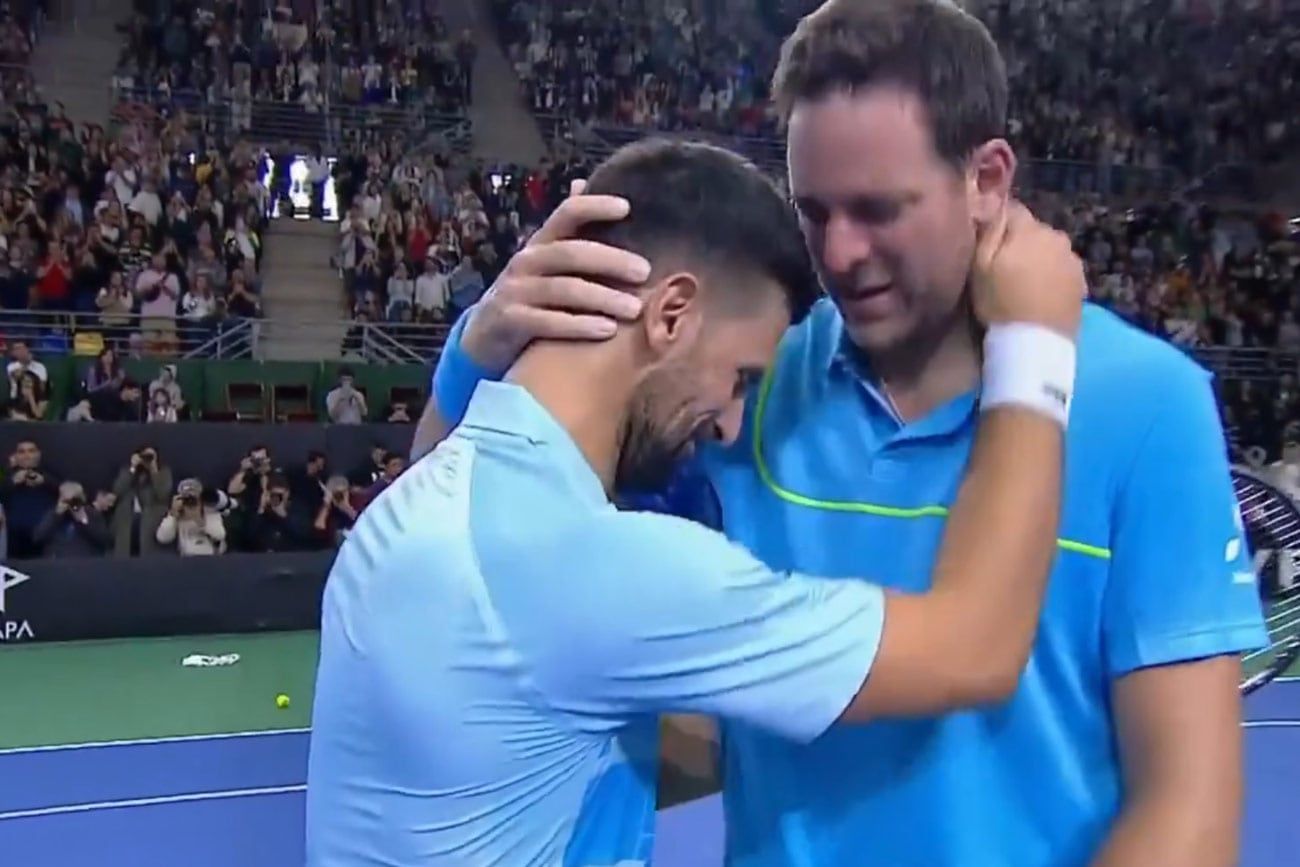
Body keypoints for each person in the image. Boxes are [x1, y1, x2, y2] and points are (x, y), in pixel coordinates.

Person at [412, 3, 1269, 865]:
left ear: (988, 180)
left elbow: (1186, 810)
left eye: (878, 208)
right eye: (815, 212)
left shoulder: (1148, 402)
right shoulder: (748, 388)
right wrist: (476, 349)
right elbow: (459, 546)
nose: (843, 253)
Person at [308, 138, 1085, 865]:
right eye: (741, 377)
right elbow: (975, 649)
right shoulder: (590, 565)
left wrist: (476, 343)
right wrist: (1034, 347)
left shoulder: (424, 508)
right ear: (670, 314)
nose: (729, 423)